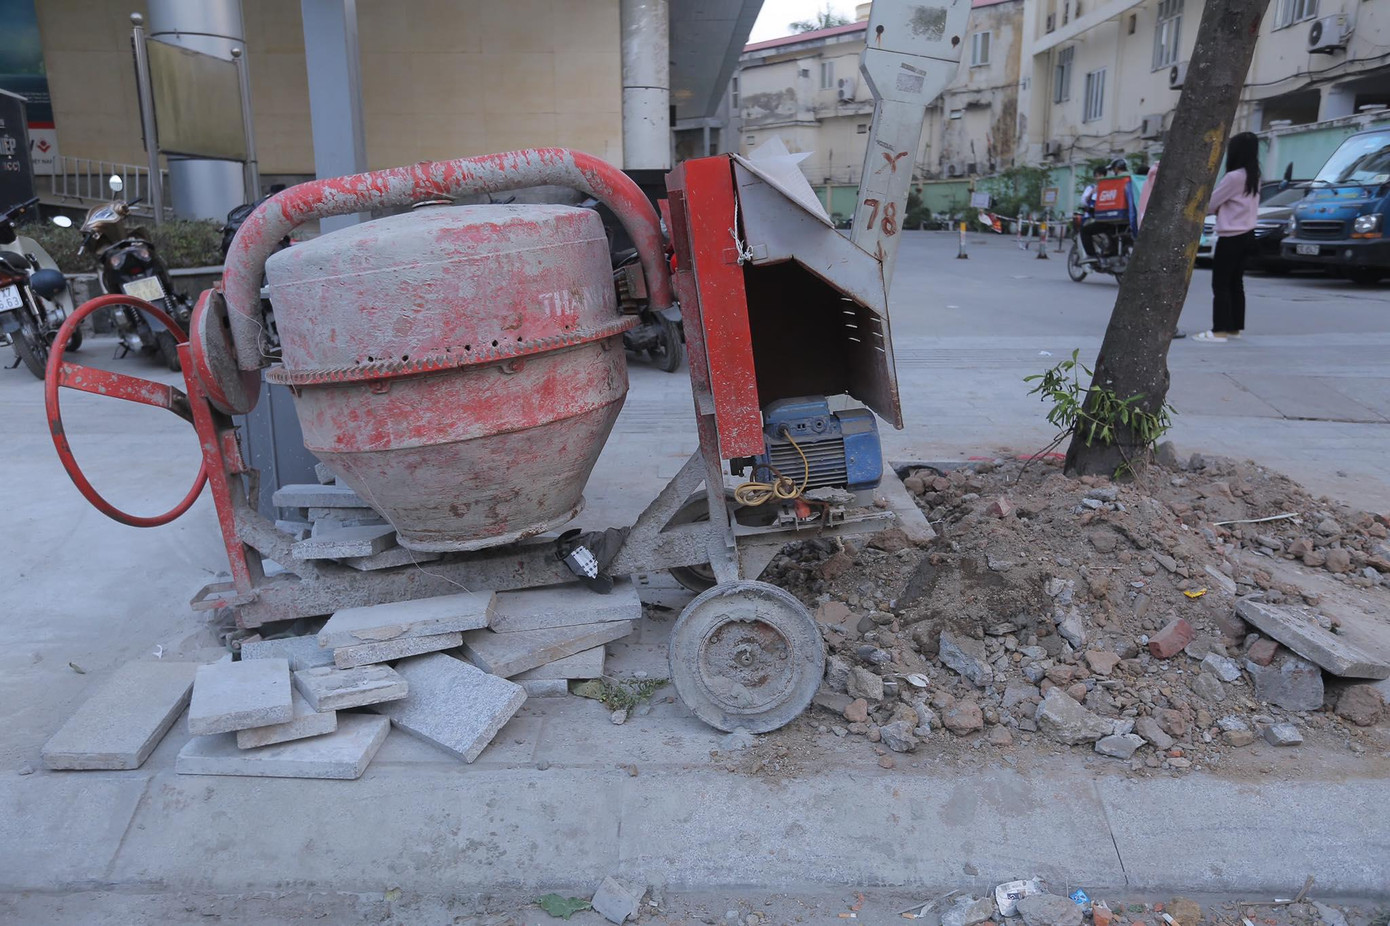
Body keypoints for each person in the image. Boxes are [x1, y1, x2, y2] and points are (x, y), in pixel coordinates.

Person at [1193, 132, 1261, 343]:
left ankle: (1219, 330)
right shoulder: (1254, 175)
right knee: (1236, 283)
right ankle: (1234, 328)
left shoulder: (1233, 177)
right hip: (1248, 234)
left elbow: (1211, 204)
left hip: (1231, 236)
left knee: (1220, 284)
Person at [1079, 164, 1107, 259]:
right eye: (1097, 175)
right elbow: (1083, 202)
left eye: (1101, 175)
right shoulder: (1090, 188)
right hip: (1090, 216)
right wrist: (1092, 193)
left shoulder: (1108, 188)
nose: (1098, 177)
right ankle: (1091, 254)